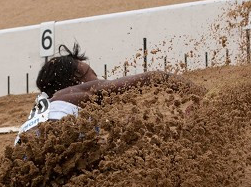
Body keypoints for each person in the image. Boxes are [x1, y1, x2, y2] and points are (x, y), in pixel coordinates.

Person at [15, 42, 187, 143]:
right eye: (92, 73)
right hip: (52, 149)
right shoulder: (75, 94)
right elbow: (155, 77)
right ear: (76, 79)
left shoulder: (45, 108)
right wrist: (207, 96)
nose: (99, 79)